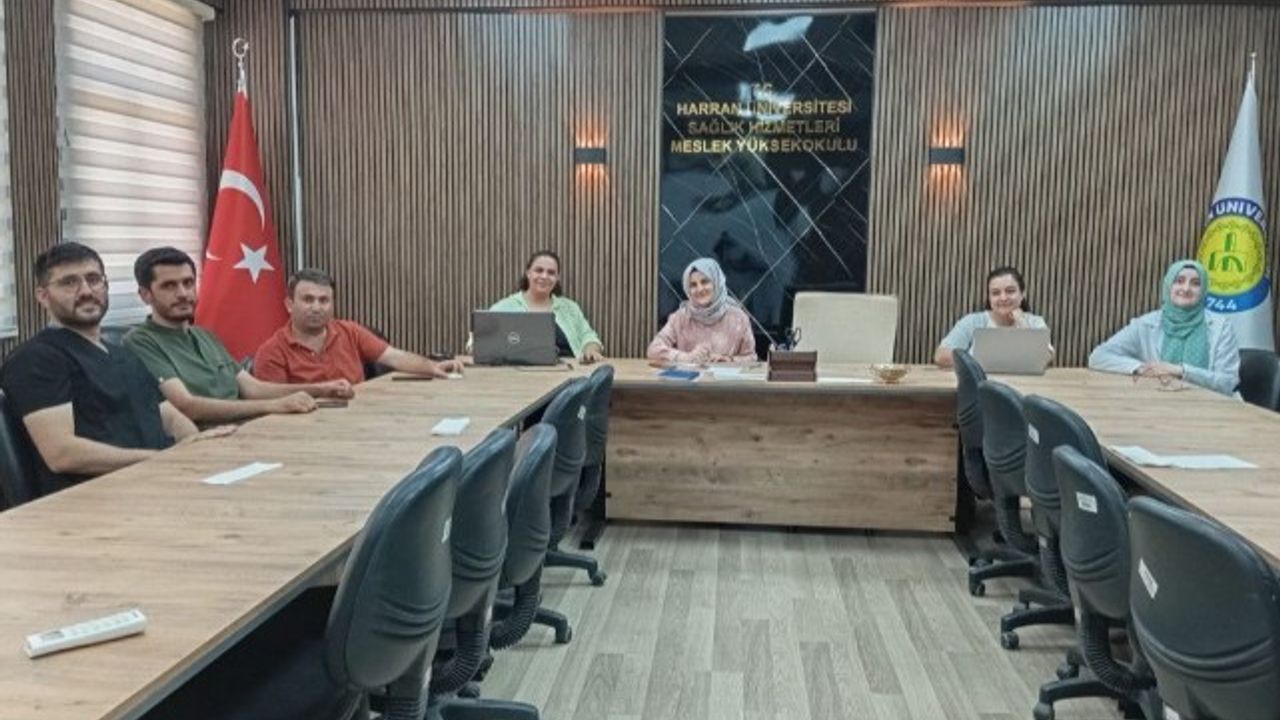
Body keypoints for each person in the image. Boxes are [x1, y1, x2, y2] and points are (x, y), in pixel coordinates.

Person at [0, 243, 229, 497]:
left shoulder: (123, 354)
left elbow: (172, 419)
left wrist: (195, 448)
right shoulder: (36, 359)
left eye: (94, 279)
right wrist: (162, 459)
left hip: (164, 482)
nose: (86, 291)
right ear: (43, 296)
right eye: (69, 282)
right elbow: (62, 454)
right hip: (98, 499)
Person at [124, 247, 355, 424]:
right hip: (205, 442)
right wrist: (272, 406)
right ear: (145, 295)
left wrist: (321, 389)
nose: (183, 293)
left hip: (248, 429)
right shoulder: (140, 341)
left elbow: (253, 388)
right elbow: (187, 406)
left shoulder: (205, 336)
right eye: (169, 286)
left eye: (188, 283)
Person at [253, 268, 464, 385]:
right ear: (289, 305)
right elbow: (275, 408)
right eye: (308, 300)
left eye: (324, 300)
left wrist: (433, 367)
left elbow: (394, 357)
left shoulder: (350, 332)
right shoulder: (272, 352)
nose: (316, 308)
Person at [1089, 259, 1240, 396]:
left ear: (1204, 290)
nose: (1186, 288)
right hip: (1156, 402)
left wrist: (1181, 371)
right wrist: (1142, 368)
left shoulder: (1221, 327)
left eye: (1195, 283)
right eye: (1179, 281)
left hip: (1212, 405)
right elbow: (1098, 357)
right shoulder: (1146, 324)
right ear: (1168, 285)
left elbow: (1227, 382)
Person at [489, 250, 604, 364]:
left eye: (551, 273)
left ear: (557, 277)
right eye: (539, 270)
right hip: (521, 372)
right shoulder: (504, 307)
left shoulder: (570, 307)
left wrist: (591, 350)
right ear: (528, 273)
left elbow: (588, 336)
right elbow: (483, 341)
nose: (544, 276)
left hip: (570, 370)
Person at [934, 266, 1050, 368]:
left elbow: (1045, 357)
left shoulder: (1036, 322)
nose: (1003, 298)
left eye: (1010, 291)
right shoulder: (972, 322)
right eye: (995, 293)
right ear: (989, 297)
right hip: (982, 383)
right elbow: (940, 356)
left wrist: (1022, 322)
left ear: (1022, 294)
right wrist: (981, 362)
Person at [647, 257, 756, 364]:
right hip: (688, 376)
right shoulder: (680, 318)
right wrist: (686, 357)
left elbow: (751, 357)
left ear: (716, 282)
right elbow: (653, 350)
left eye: (705, 282)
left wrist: (729, 360)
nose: (700, 289)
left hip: (724, 376)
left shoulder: (739, 318)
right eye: (693, 285)